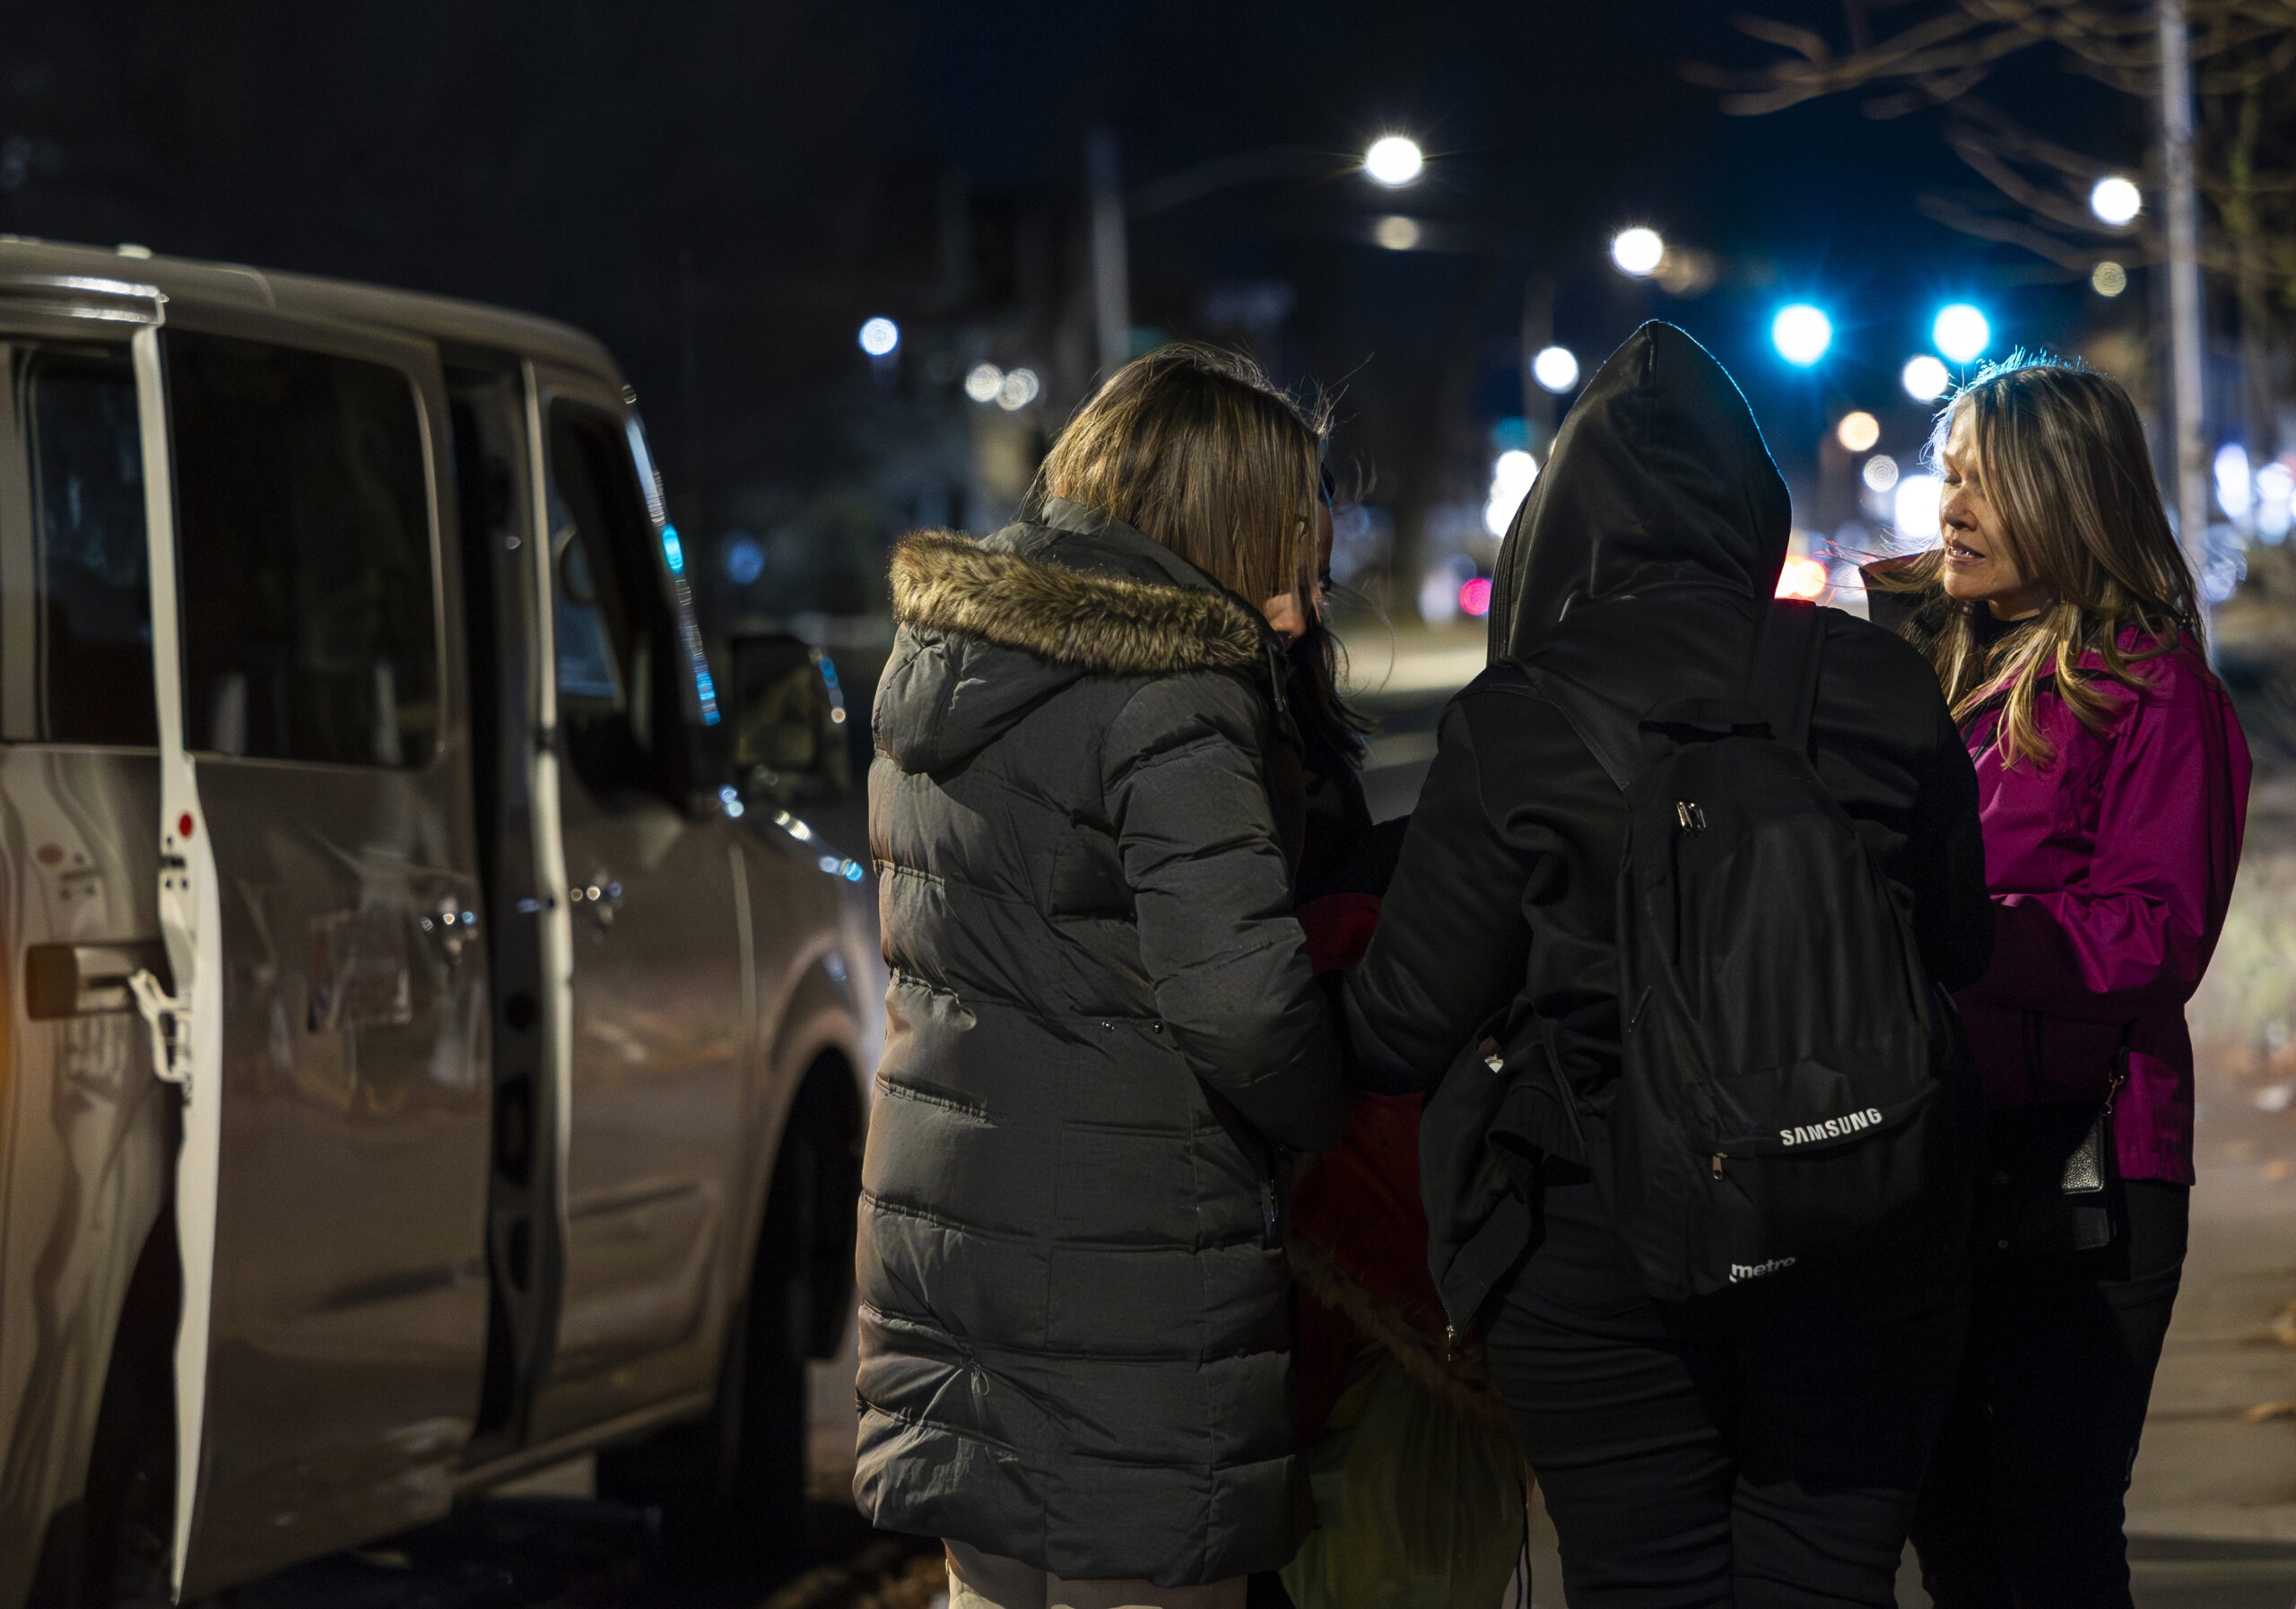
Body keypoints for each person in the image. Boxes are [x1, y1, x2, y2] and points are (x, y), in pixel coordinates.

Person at [1342, 321, 1995, 1606]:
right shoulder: (1875, 678)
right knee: (1826, 1580)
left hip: (1599, 1243)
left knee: (1646, 1580)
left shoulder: (1516, 719)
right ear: (1752, 505)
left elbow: (1402, 1023)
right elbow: (1959, 945)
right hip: (1866, 1212)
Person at [854, 343, 1349, 1609]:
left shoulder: (945, 662)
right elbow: (1245, 1007)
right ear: (1219, 524)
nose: (1300, 607)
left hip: (946, 1240)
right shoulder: (1170, 692)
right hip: (1122, 1270)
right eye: (1288, 554)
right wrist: (1335, 1112)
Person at [1869, 354, 2252, 1609]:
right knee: (1951, 1531)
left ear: (2067, 495)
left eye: (1985, 481)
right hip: (1934, 1150)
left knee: (2049, 1538)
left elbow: (2157, 932)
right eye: (1948, 475)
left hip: (2087, 1165)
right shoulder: (1923, 672)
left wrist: (1973, 934)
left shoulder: (2156, 689)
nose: (1951, 507)